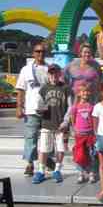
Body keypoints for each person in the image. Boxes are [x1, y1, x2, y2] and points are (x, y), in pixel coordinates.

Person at [32, 64, 72, 184]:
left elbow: (70, 106)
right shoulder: (44, 88)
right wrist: (39, 110)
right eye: (51, 73)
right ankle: (41, 171)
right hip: (46, 123)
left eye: (56, 73)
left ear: (60, 74)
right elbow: (38, 105)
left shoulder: (65, 88)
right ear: (48, 75)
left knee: (60, 148)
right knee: (43, 149)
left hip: (60, 124)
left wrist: (66, 121)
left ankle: (57, 170)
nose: (53, 75)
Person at [16, 42, 49, 176]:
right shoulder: (26, 69)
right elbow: (20, 89)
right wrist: (19, 107)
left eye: (42, 52)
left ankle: (47, 160)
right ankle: (30, 163)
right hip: (31, 109)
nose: (40, 54)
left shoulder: (50, 69)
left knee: (48, 137)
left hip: (48, 109)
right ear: (33, 53)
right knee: (31, 137)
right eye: (37, 51)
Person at [70, 83, 97, 184]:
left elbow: (94, 120)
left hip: (90, 134)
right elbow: (72, 119)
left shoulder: (91, 106)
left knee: (91, 154)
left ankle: (91, 172)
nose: (85, 93)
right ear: (79, 94)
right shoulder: (75, 107)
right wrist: (74, 129)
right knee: (79, 155)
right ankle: (81, 173)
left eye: (87, 91)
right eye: (83, 91)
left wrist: (95, 131)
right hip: (79, 135)